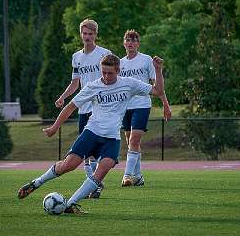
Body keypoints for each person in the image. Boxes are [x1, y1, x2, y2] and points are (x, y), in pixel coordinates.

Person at [17, 54, 170, 214]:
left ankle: (70, 204)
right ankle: (36, 183)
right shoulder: (93, 86)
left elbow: (158, 90)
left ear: (118, 71)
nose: (105, 76)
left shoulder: (129, 84)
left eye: (109, 73)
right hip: (91, 133)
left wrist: (158, 70)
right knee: (67, 166)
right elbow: (70, 107)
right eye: (103, 72)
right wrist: (55, 127)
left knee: (103, 171)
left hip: (112, 138)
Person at [55, 19, 111, 198]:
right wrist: (63, 96)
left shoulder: (104, 54)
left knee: (94, 150)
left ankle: (95, 185)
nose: (87, 37)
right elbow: (75, 83)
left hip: (101, 107)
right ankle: (95, 185)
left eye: (90, 34)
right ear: (81, 34)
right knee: (87, 153)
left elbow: (114, 77)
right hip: (84, 107)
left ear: (95, 35)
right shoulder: (76, 57)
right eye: (84, 33)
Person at [119, 30, 172, 187]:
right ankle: (139, 176)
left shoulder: (146, 60)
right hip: (125, 106)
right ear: (124, 42)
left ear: (138, 44)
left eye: (134, 40)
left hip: (142, 104)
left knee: (135, 139)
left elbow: (158, 87)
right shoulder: (120, 63)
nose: (131, 43)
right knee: (130, 140)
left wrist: (166, 105)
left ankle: (127, 176)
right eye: (128, 40)